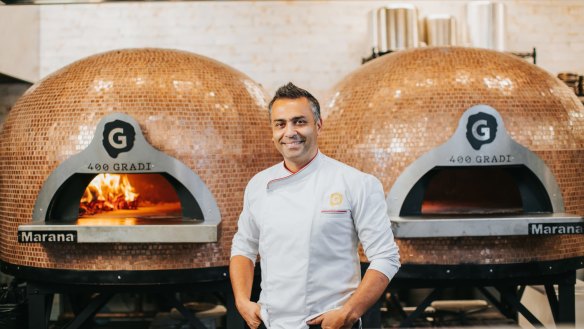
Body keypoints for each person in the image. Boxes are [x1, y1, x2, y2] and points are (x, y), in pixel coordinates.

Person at [230, 82, 400, 329]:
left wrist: (349, 313)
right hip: (270, 322)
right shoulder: (258, 184)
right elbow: (243, 247)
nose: (289, 132)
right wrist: (242, 301)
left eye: (299, 122)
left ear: (318, 125)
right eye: (280, 124)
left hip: (329, 323)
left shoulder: (356, 183)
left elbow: (386, 257)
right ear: (272, 130)